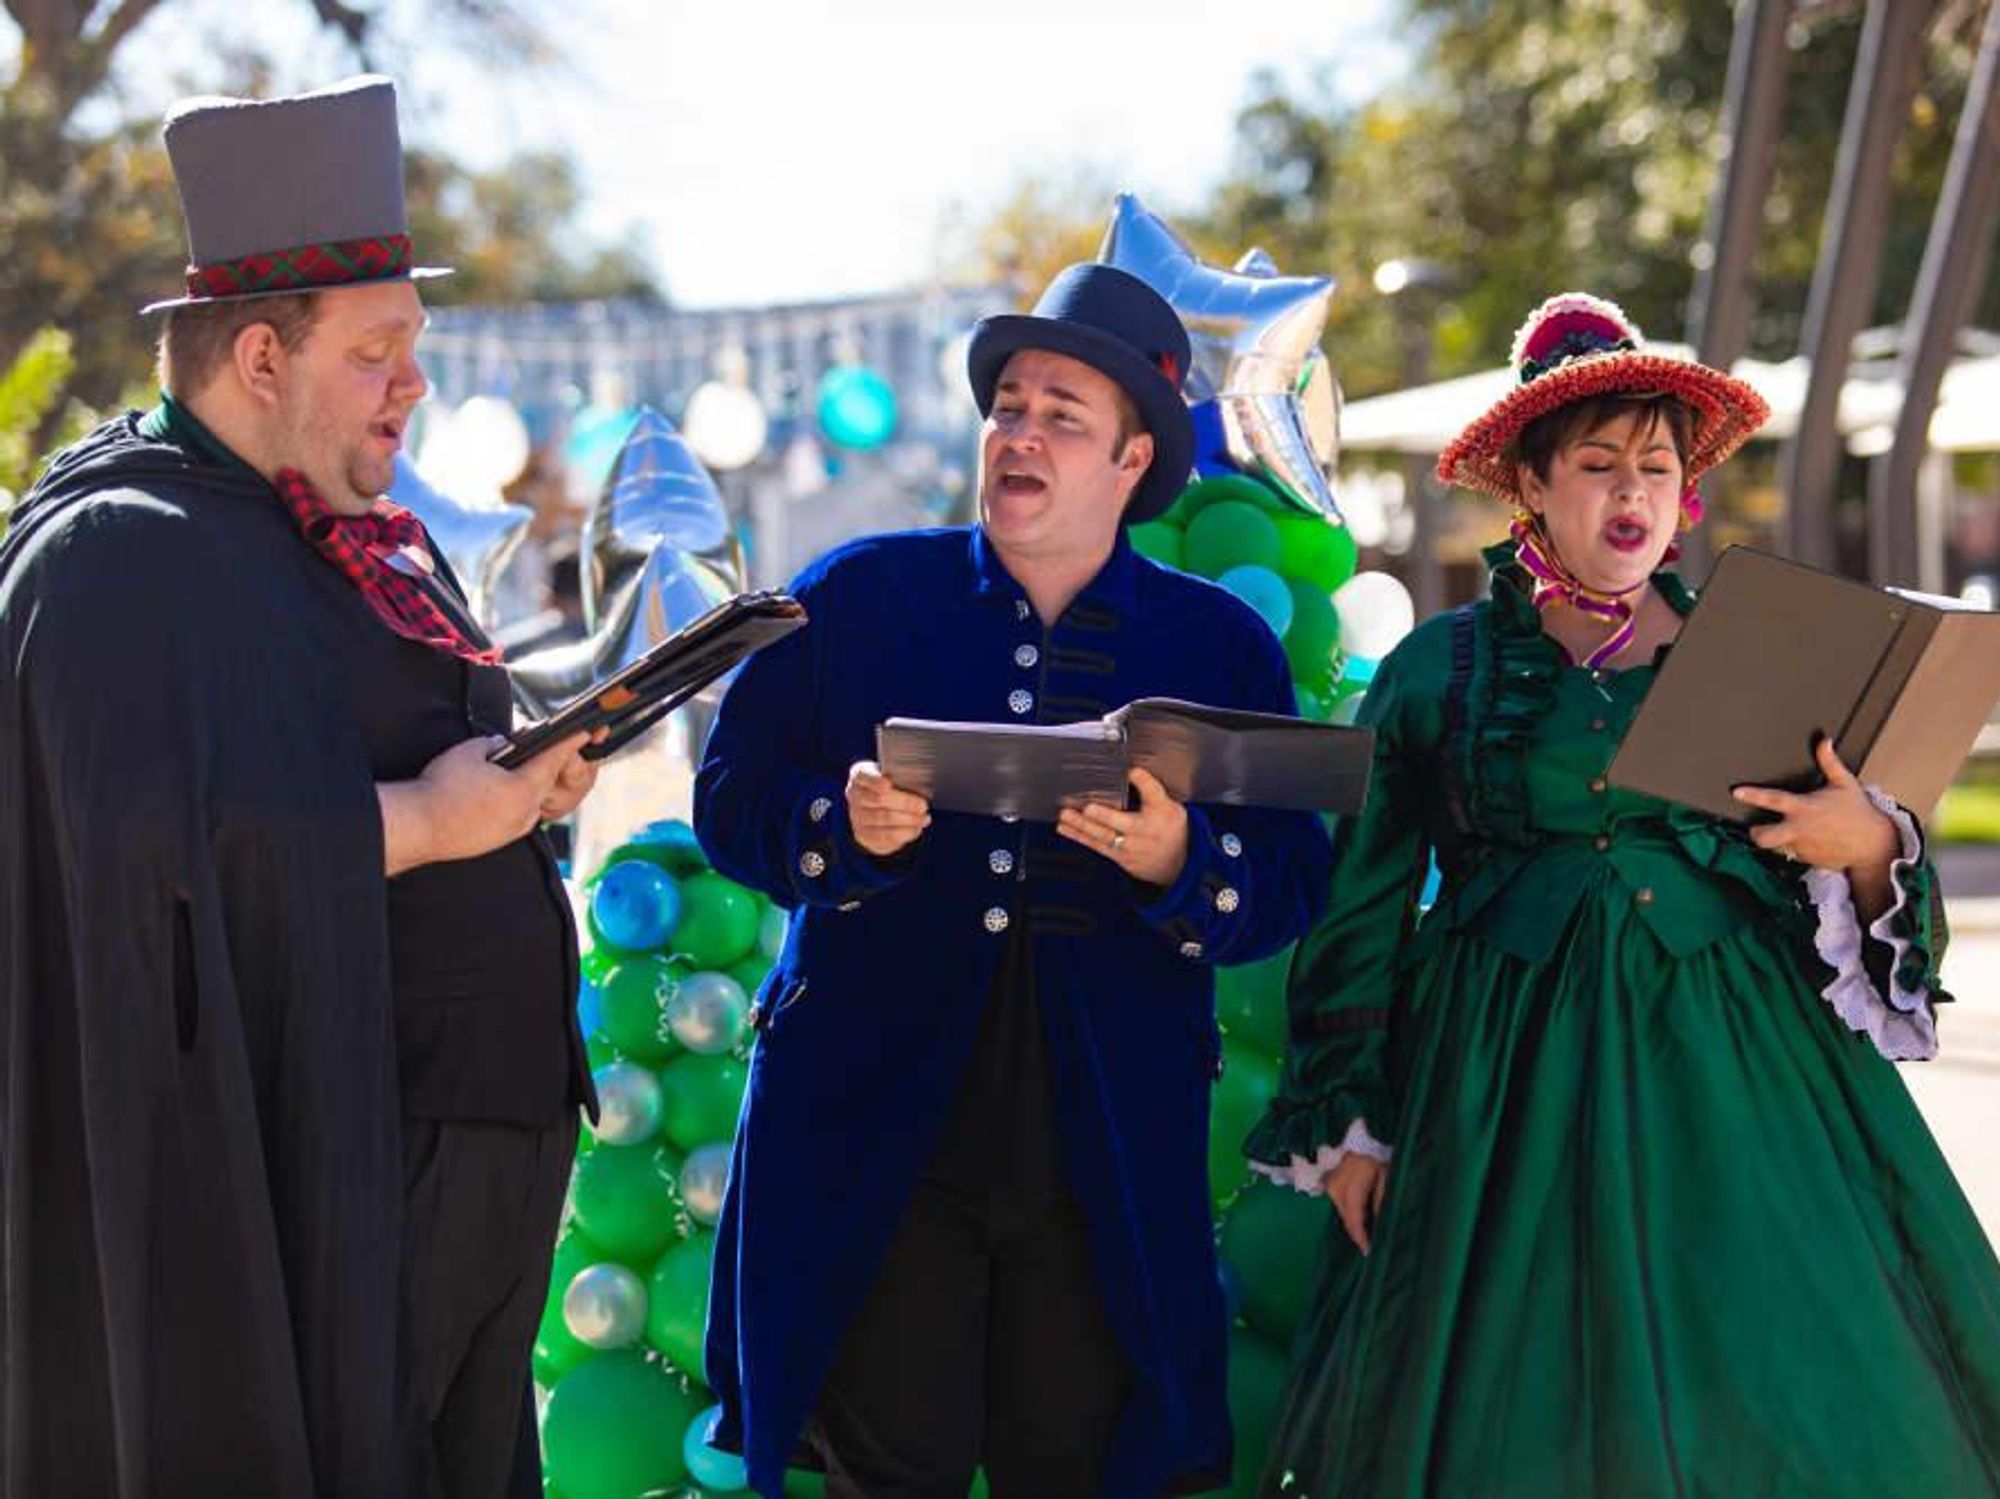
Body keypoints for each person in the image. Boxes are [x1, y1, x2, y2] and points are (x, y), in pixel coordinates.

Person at [1246, 292, 2000, 1497]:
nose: (1629, 491)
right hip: (1498, 1076)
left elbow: (1842, 859)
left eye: (1654, 466)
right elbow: (1361, 904)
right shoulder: (1436, 670)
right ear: (1530, 483)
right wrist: (1348, 1127)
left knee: (1767, 1371)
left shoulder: (1761, 652)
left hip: (1732, 1062)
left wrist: (1866, 841)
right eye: (1596, 464)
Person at [0, 76, 598, 1497]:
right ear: (261, 357)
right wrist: (432, 823)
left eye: (414, 348)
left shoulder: (349, 528)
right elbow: (141, 864)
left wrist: (525, 780)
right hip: (321, 1189)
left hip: (480, 1142)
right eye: (377, 351)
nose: (415, 385)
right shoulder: (114, 553)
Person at [694, 262, 1335, 1498]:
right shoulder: (854, 595)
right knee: (887, 1469)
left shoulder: (1218, 644)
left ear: (1131, 460)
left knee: (1080, 1462)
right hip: (877, 1126)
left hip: (1102, 1143)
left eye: (1061, 417)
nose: (1020, 434)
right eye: (1008, 408)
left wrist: (1180, 863)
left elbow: (1290, 880)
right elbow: (729, 801)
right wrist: (836, 828)